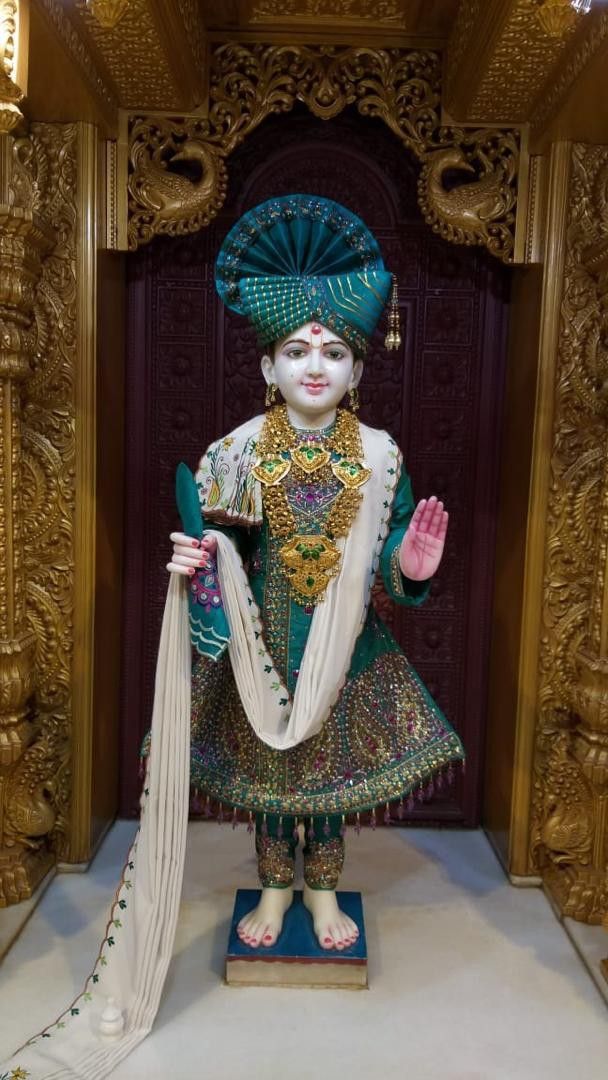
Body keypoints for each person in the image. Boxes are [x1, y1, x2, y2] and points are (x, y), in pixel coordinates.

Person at [163, 193, 465, 953]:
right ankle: (273, 886)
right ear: (268, 365)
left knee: (328, 783)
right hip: (261, 644)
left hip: (346, 650)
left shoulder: (381, 454)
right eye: (297, 351)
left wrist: (408, 562)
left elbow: (390, 556)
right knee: (272, 779)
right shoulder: (236, 451)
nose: (314, 366)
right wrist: (199, 561)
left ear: (357, 367)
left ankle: (323, 890)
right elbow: (216, 547)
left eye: (332, 352)